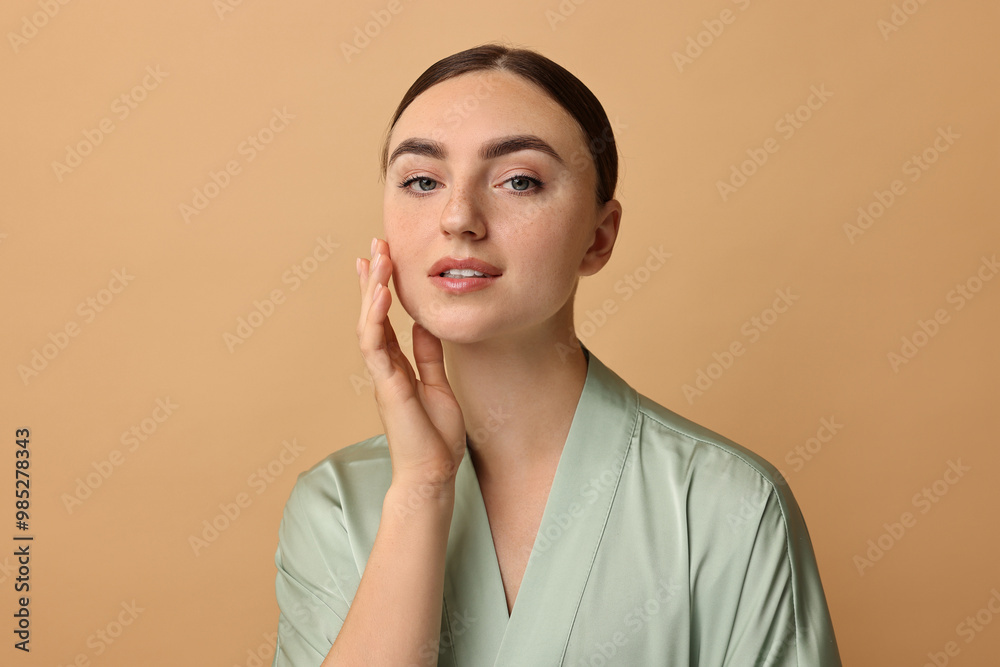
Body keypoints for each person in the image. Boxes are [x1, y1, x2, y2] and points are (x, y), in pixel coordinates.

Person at [270, 42, 842, 666]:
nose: (459, 217)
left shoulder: (727, 505)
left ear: (599, 238)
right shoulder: (336, 506)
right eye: (422, 181)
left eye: (519, 180)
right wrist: (423, 490)